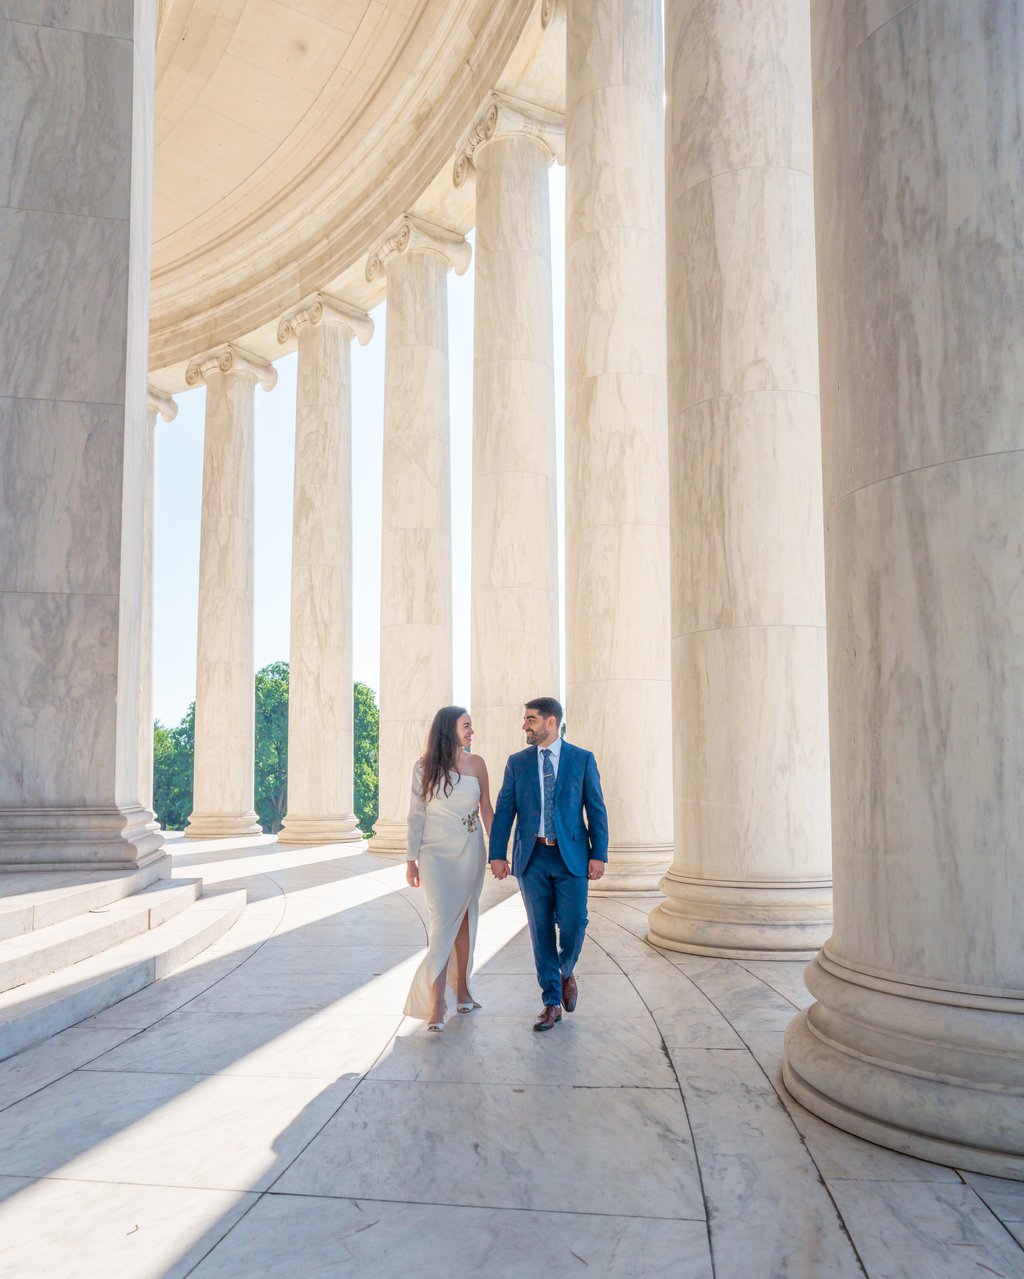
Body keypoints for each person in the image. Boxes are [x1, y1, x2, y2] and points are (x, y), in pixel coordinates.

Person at [489, 696, 608, 1031]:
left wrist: (598, 853)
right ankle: (551, 1002)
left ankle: (566, 971)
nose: (525, 725)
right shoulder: (517, 762)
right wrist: (498, 854)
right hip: (532, 857)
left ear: (551, 722)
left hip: (571, 856)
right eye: (526, 719)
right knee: (541, 931)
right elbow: (505, 811)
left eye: (531, 719)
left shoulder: (582, 760)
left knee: (574, 925)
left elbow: (596, 809)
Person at [404, 706, 493, 1031]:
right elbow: (416, 814)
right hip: (434, 856)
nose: (472, 732)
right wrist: (411, 859)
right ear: (449, 729)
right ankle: (437, 1001)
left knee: (466, 919)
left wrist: (498, 852)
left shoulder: (477, 764)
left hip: (470, 850)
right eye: (466, 726)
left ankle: (464, 988)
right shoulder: (424, 767)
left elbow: (486, 810)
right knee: (442, 922)